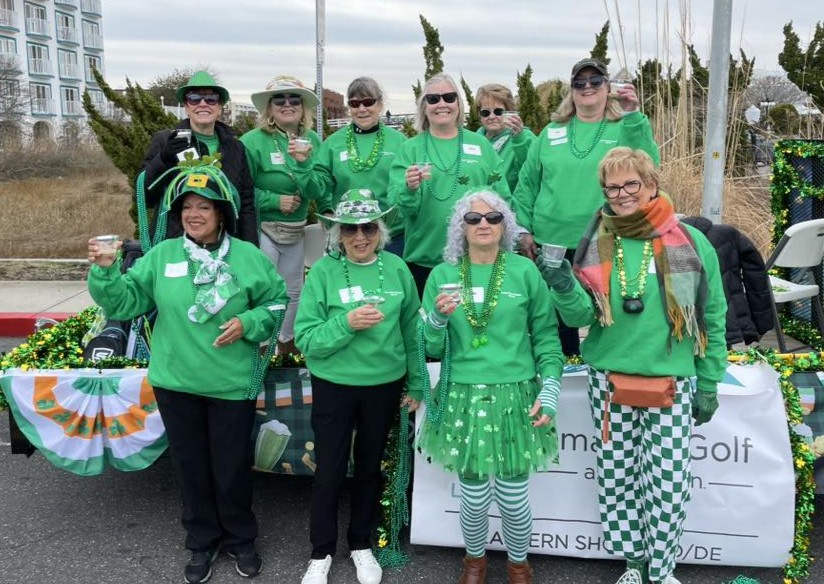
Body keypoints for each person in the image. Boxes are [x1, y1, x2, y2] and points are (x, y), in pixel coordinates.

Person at [86, 163, 288, 584]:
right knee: (191, 467)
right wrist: (106, 271)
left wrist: (249, 322)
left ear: (222, 213)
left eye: (204, 206)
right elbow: (124, 303)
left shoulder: (248, 257)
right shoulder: (162, 256)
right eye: (187, 207)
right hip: (176, 383)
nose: (194, 214)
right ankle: (201, 541)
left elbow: (275, 302)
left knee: (231, 468)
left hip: (231, 384)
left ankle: (240, 539)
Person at [538, 148, 727, 584]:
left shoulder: (691, 241)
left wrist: (709, 381)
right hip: (608, 379)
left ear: (651, 184)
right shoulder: (595, 241)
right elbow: (581, 315)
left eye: (631, 184)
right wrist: (562, 284)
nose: (621, 194)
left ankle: (662, 570)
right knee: (616, 477)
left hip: (672, 379)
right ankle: (635, 564)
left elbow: (713, 315)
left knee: (669, 484)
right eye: (612, 187)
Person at [417, 190, 563, 584]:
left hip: (515, 394)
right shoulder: (442, 275)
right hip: (463, 395)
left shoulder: (524, 271)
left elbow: (547, 338)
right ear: (460, 228)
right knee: (474, 497)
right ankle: (474, 562)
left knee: (514, 499)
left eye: (493, 217)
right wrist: (436, 320)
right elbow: (429, 347)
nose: (483, 224)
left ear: (505, 225)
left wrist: (550, 387)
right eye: (473, 218)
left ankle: (519, 564)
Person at [294, 189, 422, 584]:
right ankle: (321, 552)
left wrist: (417, 382)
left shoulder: (397, 268)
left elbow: (412, 329)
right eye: (351, 229)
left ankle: (361, 544)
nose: (360, 236)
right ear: (338, 233)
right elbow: (306, 338)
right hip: (335, 384)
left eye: (368, 228)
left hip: (384, 384)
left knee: (370, 467)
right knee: (329, 470)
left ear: (380, 230)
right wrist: (346, 324)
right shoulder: (323, 273)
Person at [514, 58, 659, 356]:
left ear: (608, 87)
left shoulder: (625, 126)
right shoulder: (551, 132)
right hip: (551, 242)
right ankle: (563, 371)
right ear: (571, 90)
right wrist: (522, 230)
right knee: (557, 318)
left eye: (595, 81)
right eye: (579, 82)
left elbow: (649, 168)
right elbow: (527, 184)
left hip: (604, 239)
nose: (587, 87)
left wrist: (633, 113)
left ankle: (607, 370)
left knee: (609, 311)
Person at [388, 73, 511, 297]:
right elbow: (401, 209)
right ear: (424, 107)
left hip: (476, 259)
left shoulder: (481, 145)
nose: (442, 104)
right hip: (425, 261)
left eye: (449, 97)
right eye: (433, 99)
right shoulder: (410, 149)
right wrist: (409, 188)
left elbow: (502, 200)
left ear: (458, 103)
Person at [241, 75, 331, 356]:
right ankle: (260, 350)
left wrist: (304, 167)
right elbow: (238, 190)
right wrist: (274, 200)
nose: (287, 104)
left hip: (296, 230)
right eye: (279, 99)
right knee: (264, 290)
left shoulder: (313, 140)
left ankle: (286, 349)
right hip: (263, 228)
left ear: (304, 108)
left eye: (295, 99)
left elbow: (319, 188)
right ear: (269, 107)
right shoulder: (251, 142)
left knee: (293, 291)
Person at [141, 70, 258, 245]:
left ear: (219, 108)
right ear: (186, 107)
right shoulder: (165, 141)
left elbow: (246, 202)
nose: (203, 104)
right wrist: (163, 159)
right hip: (175, 245)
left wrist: (250, 247)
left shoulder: (235, 148)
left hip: (223, 245)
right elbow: (144, 197)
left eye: (211, 99)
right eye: (194, 98)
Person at [313, 77, 408, 256]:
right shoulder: (333, 143)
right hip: (349, 237)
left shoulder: (400, 142)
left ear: (380, 104)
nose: (362, 109)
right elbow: (320, 182)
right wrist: (325, 208)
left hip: (393, 236)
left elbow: (409, 186)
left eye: (368, 102)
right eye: (355, 103)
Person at [680, 215, 774, 348]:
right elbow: (756, 274)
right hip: (731, 320)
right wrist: (762, 322)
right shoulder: (727, 234)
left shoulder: (661, 242)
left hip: (681, 328)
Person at [475, 83, 536, 192]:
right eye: (485, 112)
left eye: (498, 111)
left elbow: (533, 173)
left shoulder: (526, 137)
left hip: (512, 201)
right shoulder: (474, 141)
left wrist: (519, 140)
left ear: (509, 111)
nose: (492, 117)